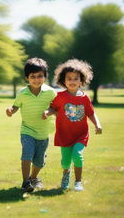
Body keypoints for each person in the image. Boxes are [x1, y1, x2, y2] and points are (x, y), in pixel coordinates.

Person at [42, 59, 102, 191]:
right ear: (64, 81)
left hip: (80, 134)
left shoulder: (84, 98)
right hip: (64, 135)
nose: (72, 81)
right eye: (69, 78)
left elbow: (91, 113)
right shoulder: (60, 96)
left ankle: (78, 182)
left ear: (81, 80)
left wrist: (97, 124)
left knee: (77, 156)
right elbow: (54, 108)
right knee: (65, 161)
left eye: (76, 78)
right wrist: (47, 112)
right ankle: (66, 175)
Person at [6, 58, 56, 192]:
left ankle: (34, 177)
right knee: (27, 155)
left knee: (40, 161)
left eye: (40, 76)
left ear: (45, 76)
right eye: (32, 77)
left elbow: (56, 108)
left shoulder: (51, 92)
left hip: (43, 132)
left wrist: (49, 112)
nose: (36, 79)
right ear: (27, 78)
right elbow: (16, 106)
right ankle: (25, 182)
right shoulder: (23, 93)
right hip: (27, 130)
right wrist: (11, 110)